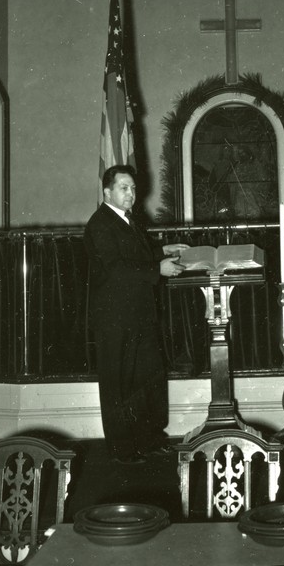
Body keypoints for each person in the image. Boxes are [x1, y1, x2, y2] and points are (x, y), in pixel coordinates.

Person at [84, 164, 188, 465]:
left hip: (138, 314)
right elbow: (116, 269)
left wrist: (163, 250)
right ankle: (123, 449)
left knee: (146, 379)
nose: (131, 194)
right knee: (120, 384)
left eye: (132, 188)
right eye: (124, 188)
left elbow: (134, 256)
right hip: (115, 318)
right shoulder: (100, 224)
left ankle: (149, 440)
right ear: (108, 192)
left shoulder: (126, 220)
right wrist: (158, 269)